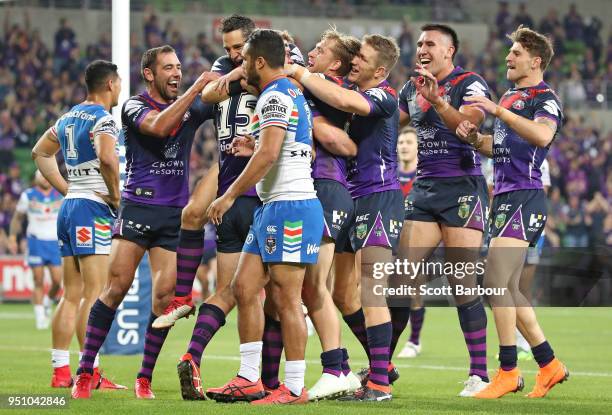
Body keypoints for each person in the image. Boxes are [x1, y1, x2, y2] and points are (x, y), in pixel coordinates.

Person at [71, 47, 216, 399]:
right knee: (116, 288)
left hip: (172, 216)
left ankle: (144, 378)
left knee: (164, 299)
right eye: (168, 67)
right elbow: (161, 126)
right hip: (138, 208)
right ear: (149, 74)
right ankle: (84, 371)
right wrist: (197, 88)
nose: (176, 73)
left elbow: (223, 92)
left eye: (179, 67)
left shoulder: (191, 107)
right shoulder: (134, 107)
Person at [205, 29, 323, 405]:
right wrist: (251, 145)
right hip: (273, 206)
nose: (239, 66)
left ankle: (293, 387)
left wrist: (227, 196)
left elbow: (271, 154)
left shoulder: (275, 94)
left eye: (243, 59)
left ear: (258, 61)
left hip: (291, 206)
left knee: (288, 299)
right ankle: (249, 377)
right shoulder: (287, 94)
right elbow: (292, 148)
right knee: (243, 288)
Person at [286, 33, 403, 402]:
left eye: (363, 59)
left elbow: (345, 99)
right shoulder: (349, 90)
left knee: (372, 292)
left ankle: (380, 385)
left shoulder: (384, 95)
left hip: (379, 197)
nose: (356, 62)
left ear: (379, 70)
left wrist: (301, 74)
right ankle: (381, 365)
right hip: (353, 197)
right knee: (341, 292)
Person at [456, 25, 569, 399]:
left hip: (526, 195)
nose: (508, 57)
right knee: (507, 288)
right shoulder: (509, 96)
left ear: (535, 61)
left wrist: (497, 113)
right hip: (503, 198)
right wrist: (475, 139)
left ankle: (507, 370)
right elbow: (500, 148)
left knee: (494, 281)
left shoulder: (545, 98)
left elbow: (542, 136)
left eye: (516, 53)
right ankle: (549, 363)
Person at [397, 24, 492, 396]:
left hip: (463, 188)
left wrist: (438, 102)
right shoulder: (410, 88)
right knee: (402, 278)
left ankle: (480, 374)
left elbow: (471, 127)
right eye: (419, 43)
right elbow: (389, 127)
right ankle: (380, 368)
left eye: (430, 44)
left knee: (461, 282)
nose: (422, 48)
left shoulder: (470, 82)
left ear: (449, 51)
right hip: (424, 189)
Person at [31, 60, 124, 391]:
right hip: (92, 208)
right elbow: (108, 158)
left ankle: (60, 371)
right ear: (111, 85)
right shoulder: (103, 120)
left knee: (70, 294)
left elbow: (40, 154)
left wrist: (68, 189)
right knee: (94, 295)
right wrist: (114, 196)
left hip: (69, 208)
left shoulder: (68, 117)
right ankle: (91, 372)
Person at [299, 29, 363, 400]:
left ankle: (336, 368)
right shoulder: (324, 88)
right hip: (331, 191)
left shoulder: (322, 82)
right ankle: (378, 364)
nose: (311, 53)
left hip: (325, 188)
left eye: (319, 49)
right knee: (335, 291)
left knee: (313, 286)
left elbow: (338, 141)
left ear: (335, 63)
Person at [9, 170, 62, 330]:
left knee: (57, 281)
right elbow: (17, 218)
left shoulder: (60, 194)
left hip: (54, 242)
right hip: (36, 242)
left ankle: (47, 301)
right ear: (36, 178)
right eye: (41, 176)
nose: (44, 179)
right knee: (38, 280)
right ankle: (40, 317)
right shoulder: (28, 195)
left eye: (46, 176)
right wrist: (13, 237)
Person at [393, 126, 426, 359]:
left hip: (417, 238)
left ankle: (414, 340)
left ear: (417, 147)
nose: (404, 145)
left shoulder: (423, 177)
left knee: (413, 289)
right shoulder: (390, 175)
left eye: (409, 142)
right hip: (391, 236)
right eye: (401, 142)